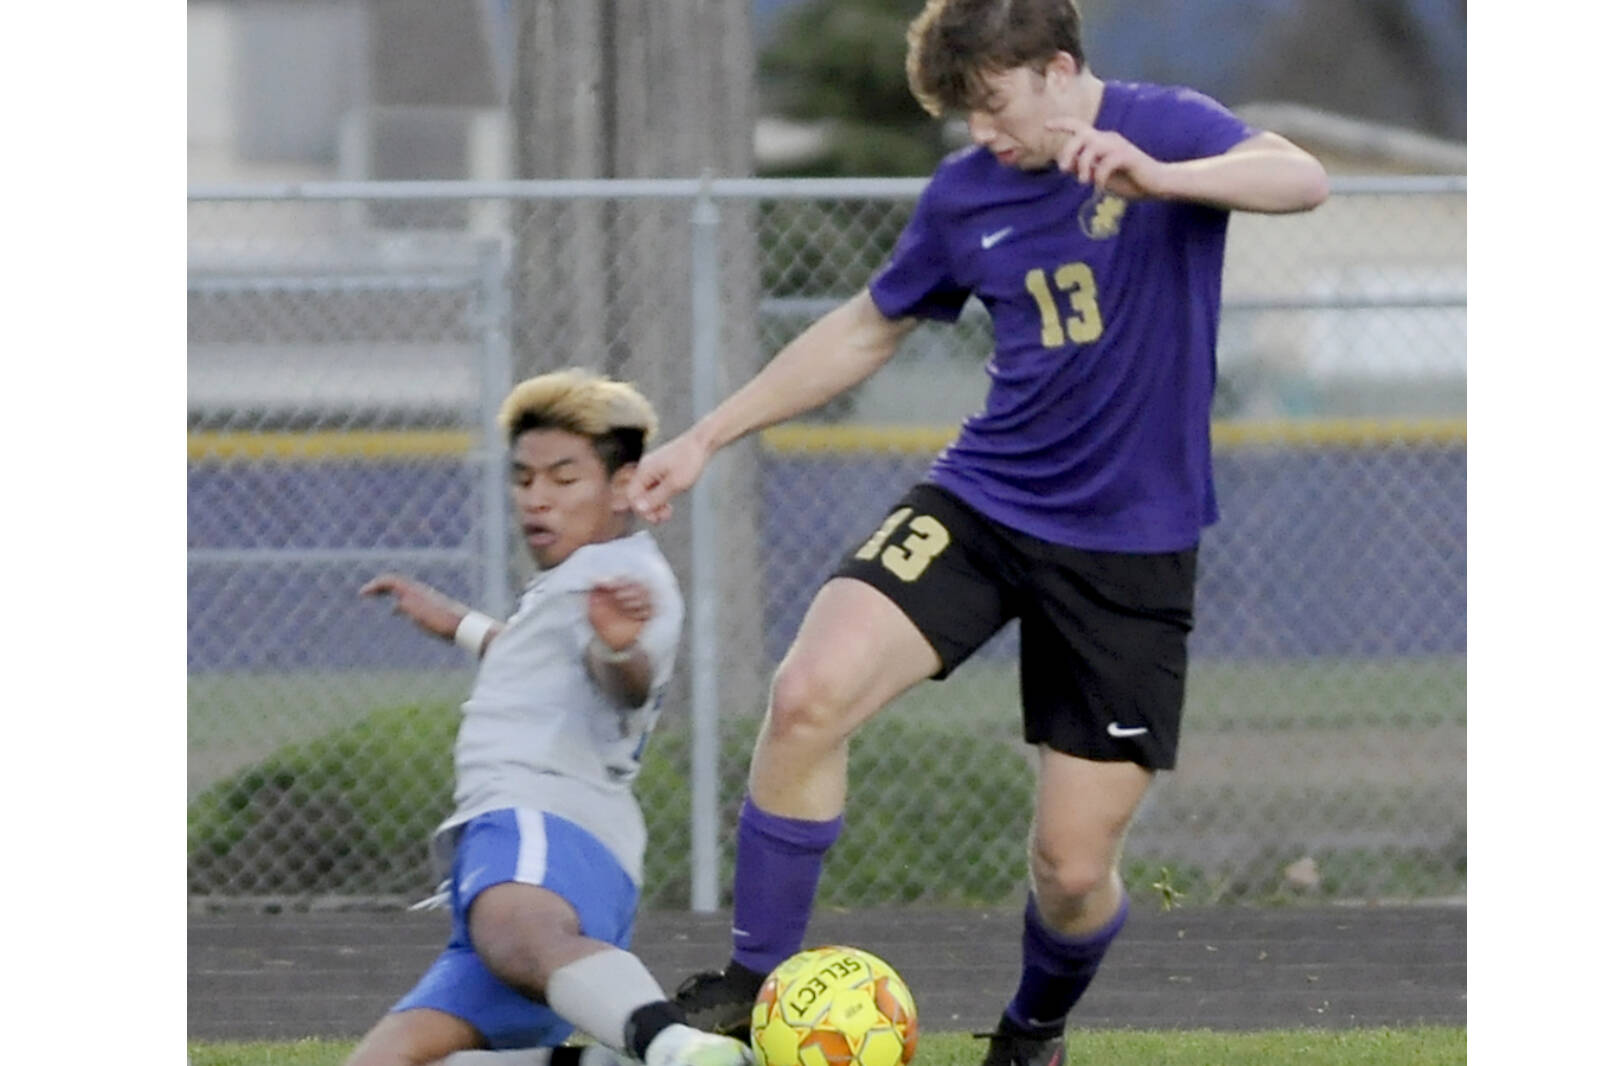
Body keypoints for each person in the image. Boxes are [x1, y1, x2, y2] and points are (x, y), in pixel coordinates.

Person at [626, 2, 1329, 1064]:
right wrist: (706, 436)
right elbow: (868, 326)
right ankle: (755, 980)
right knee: (807, 693)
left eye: (992, 105)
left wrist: (1162, 178)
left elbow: (1301, 178)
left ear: (1057, 69)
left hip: (1128, 548)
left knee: (1070, 870)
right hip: (984, 503)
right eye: (962, 114)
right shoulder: (965, 193)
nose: (980, 135)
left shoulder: (1167, 126)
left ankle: (1029, 1033)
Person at [346, 369, 753, 1066]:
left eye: (564, 479)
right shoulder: (579, 579)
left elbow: (625, 680)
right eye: (525, 478)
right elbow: (538, 659)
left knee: (517, 934)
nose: (537, 498)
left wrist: (616, 647)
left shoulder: (624, 583)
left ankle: (679, 1050)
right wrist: (455, 623)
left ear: (624, 485)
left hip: (542, 826)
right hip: (522, 849)